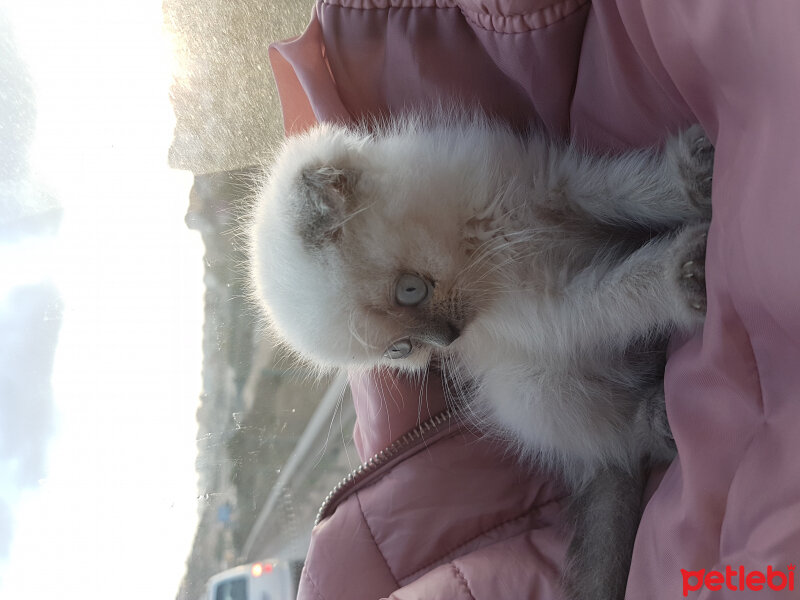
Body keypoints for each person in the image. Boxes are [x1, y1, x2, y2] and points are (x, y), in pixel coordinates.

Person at [268, 1, 800, 598]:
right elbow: (567, 314)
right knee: (530, 395)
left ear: (350, 182)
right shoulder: (426, 280)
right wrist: (660, 283)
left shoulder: (443, 169)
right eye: (402, 348)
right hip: (590, 384)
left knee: (567, 203)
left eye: (411, 292)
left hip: (601, 285)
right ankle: (634, 429)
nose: (443, 337)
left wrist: (665, 184)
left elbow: (571, 186)